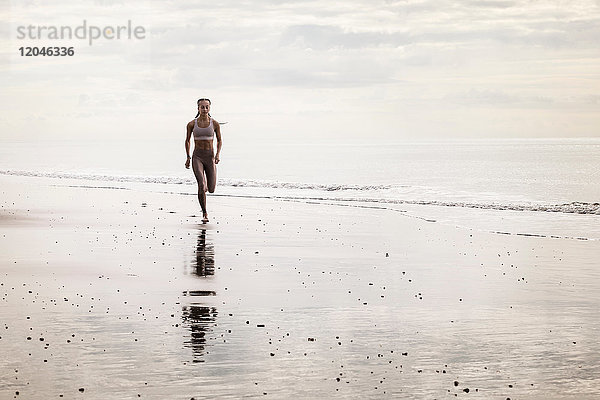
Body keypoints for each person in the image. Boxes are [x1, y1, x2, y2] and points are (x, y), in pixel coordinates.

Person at [185, 98, 222, 223]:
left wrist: (217, 155)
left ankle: (206, 185)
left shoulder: (215, 124)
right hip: (197, 157)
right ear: (198, 108)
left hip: (210, 158)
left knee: (211, 189)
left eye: (207, 107)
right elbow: (187, 141)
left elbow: (220, 140)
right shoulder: (191, 124)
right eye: (202, 107)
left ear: (209, 108)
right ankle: (205, 212)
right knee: (201, 185)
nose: (204, 109)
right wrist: (188, 157)